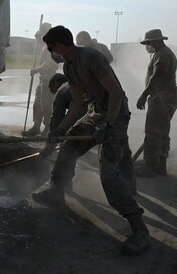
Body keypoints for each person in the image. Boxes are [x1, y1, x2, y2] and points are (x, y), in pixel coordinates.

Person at [34, 25, 149, 255]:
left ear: (59, 45)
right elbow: (77, 104)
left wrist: (108, 126)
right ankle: (56, 191)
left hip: (115, 114)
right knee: (69, 145)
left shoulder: (91, 57)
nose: (49, 51)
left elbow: (116, 94)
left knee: (107, 172)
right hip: (94, 113)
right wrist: (60, 130)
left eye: (50, 47)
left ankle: (139, 229)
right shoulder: (68, 66)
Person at [135, 29, 177, 177]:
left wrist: (143, 95)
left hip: (162, 97)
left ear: (155, 41)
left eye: (148, 43)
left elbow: (157, 75)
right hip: (164, 97)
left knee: (154, 132)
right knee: (161, 131)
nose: (147, 46)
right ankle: (159, 165)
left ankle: (150, 165)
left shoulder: (163, 55)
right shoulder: (161, 53)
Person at [23, 22, 59, 137]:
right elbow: (42, 48)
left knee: (46, 104)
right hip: (43, 78)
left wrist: (36, 69)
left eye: (43, 31)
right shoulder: (46, 44)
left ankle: (48, 127)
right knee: (38, 102)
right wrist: (38, 39)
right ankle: (36, 126)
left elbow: (49, 62)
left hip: (49, 77)